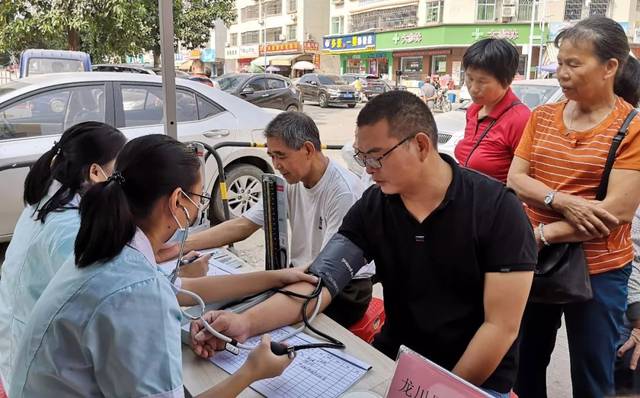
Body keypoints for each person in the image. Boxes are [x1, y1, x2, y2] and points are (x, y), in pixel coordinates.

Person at [189, 91, 537, 398]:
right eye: (361, 157)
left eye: (377, 156)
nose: (368, 168)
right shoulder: (377, 205)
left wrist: (442, 391)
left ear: (420, 145)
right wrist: (245, 324)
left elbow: (500, 327)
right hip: (397, 357)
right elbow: (320, 280)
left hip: (473, 379)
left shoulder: (496, 210)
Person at [9, 135, 307, 397]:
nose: (198, 208)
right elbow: (151, 296)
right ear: (178, 201)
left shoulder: (112, 249)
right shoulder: (135, 286)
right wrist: (252, 371)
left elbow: (181, 289)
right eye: (200, 198)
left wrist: (276, 277)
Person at [507, 16, 640, 398]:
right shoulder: (543, 117)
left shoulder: (631, 127)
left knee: (592, 371)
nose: (562, 73)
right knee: (525, 362)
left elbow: (615, 213)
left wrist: (544, 232)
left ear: (610, 67)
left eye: (574, 64)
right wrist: (560, 200)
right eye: (560, 62)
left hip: (600, 270)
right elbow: (516, 179)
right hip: (535, 261)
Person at [159, 111, 374, 328]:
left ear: (308, 149)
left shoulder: (342, 192)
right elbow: (243, 225)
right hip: (305, 273)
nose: (276, 164)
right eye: (271, 156)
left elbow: (329, 266)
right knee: (236, 303)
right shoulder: (291, 181)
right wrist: (179, 246)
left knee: (256, 313)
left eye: (281, 155)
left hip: (343, 286)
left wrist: (270, 284)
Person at [0, 122, 127, 389]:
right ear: (95, 171)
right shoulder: (67, 227)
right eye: (117, 170)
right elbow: (109, 296)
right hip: (31, 363)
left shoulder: (51, 199)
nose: (121, 180)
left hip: (16, 341)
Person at [454, 38, 531, 183]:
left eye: (482, 81)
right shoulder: (473, 111)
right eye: (469, 78)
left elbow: (525, 178)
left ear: (506, 80)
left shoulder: (520, 119)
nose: (474, 88)